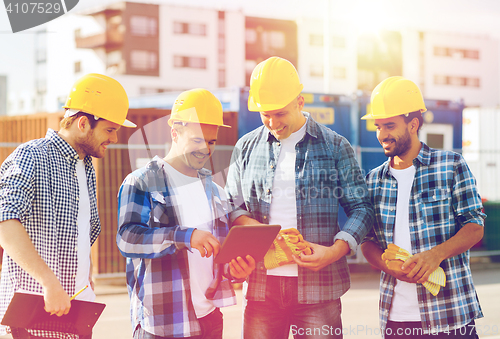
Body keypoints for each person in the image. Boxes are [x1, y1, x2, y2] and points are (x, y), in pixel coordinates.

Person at [225, 56, 374, 339]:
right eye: (264, 114)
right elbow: (232, 207)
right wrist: (265, 235)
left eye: (279, 114)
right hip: (261, 287)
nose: (272, 122)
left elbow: (362, 209)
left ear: (300, 102)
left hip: (320, 288)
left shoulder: (335, 146)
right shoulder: (245, 147)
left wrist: (334, 251)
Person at [0, 73, 136, 339]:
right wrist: (48, 282)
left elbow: (82, 236)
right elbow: (5, 221)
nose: (115, 138)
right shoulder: (32, 156)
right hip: (32, 323)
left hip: (74, 319)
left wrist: (86, 276)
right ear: (83, 123)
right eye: (110, 130)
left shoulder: (85, 167)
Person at [116, 88, 256, 339]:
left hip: (209, 321)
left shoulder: (215, 191)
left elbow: (216, 256)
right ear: (175, 133)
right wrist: (186, 236)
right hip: (162, 325)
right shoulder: (141, 182)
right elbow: (128, 238)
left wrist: (236, 271)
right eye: (197, 140)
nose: (205, 149)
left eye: (211, 142)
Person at [360, 76, 485, 338]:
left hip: (451, 315)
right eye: (378, 126)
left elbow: (475, 227)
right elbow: (368, 242)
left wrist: (435, 255)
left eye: (390, 126)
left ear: (413, 124)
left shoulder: (451, 165)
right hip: (397, 320)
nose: (382, 134)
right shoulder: (373, 180)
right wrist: (386, 265)